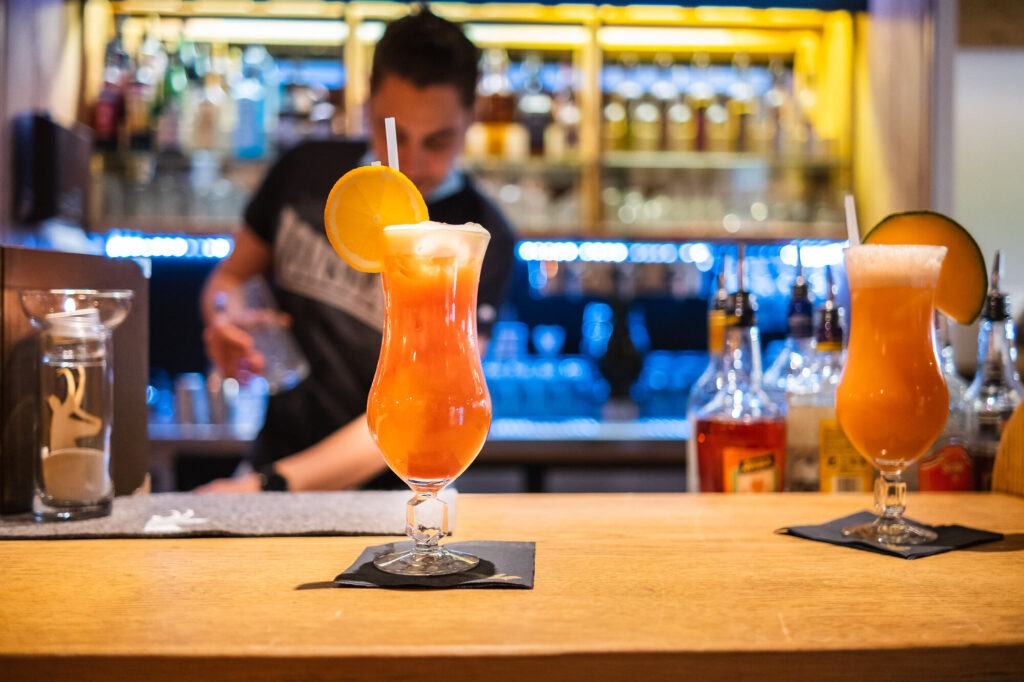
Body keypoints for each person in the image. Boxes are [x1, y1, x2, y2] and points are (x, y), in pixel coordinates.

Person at [196, 5, 516, 493]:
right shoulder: (305, 173)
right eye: (397, 133)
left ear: (470, 118)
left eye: (438, 140)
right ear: (369, 106)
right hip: (272, 460)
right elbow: (232, 278)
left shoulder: (479, 233)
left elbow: (435, 397)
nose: (412, 161)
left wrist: (276, 484)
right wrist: (226, 317)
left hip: (398, 492)